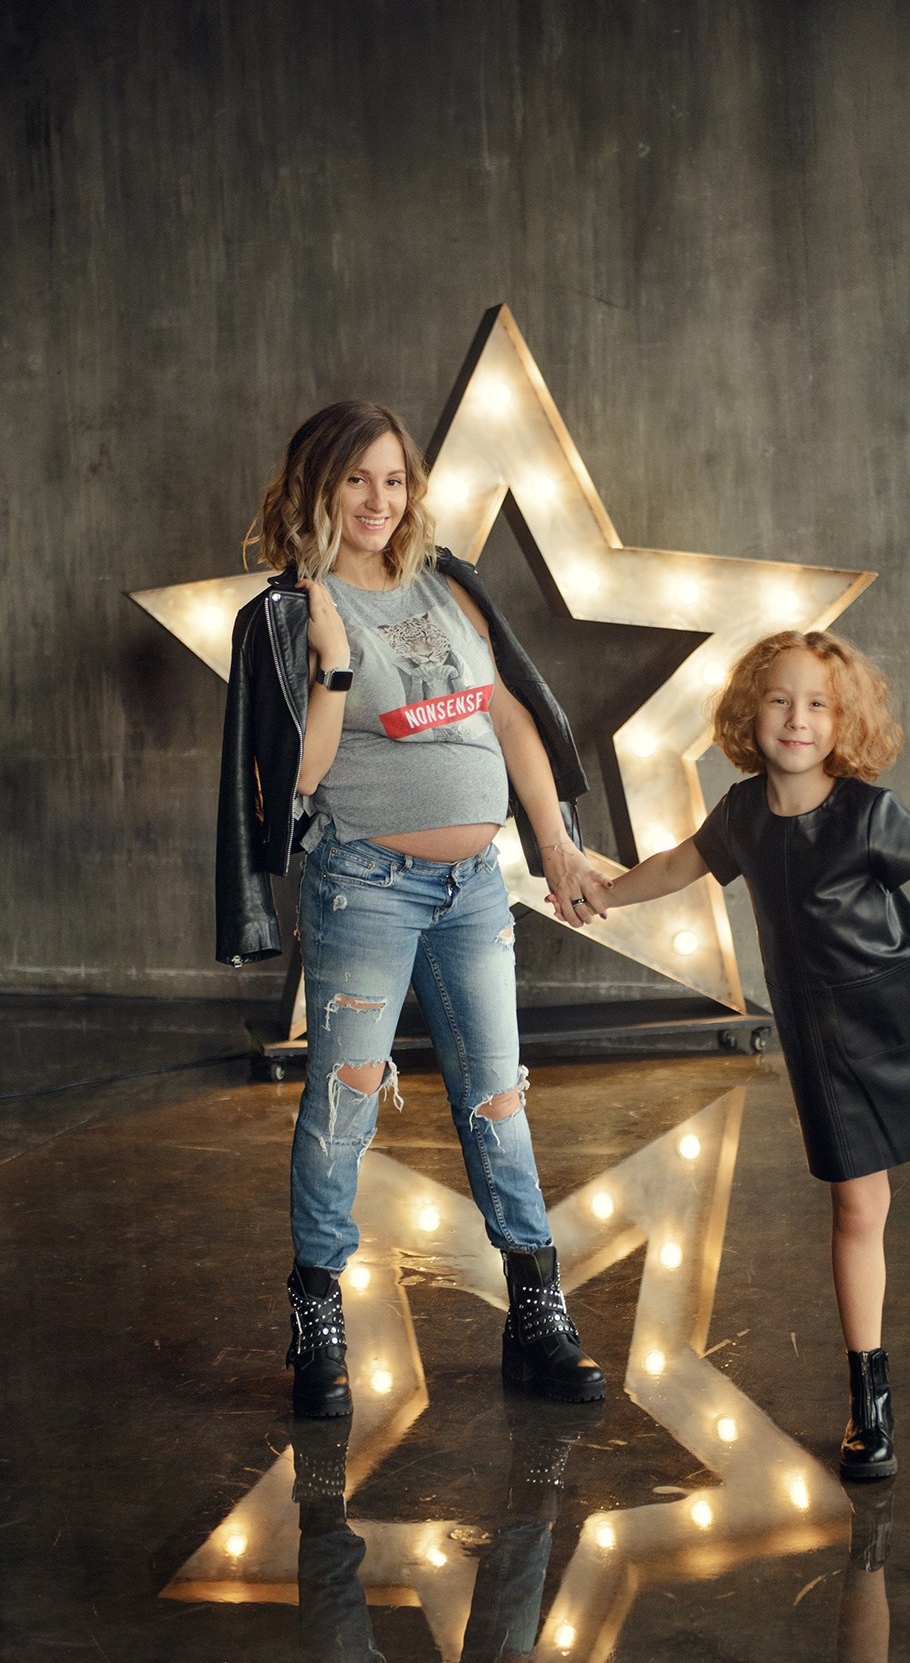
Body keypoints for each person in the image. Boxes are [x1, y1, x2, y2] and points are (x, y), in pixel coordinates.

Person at [558, 629, 910, 1478]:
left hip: (908, 1016)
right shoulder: (741, 816)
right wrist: (603, 893)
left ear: (843, 722)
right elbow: (678, 864)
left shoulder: (869, 813)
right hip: (821, 1039)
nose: (797, 719)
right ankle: (869, 1398)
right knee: (857, 1209)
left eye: (817, 705)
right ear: (749, 713)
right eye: (779, 700)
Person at [216, 399, 612, 1417]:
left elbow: (509, 716)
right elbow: (297, 779)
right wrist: (337, 665)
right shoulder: (290, 612)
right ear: (317, 485)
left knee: (497, 1097)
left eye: (393, 479)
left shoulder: (448, 586)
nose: (377, 500)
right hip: (365, 888)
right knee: (344, 1102)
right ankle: (317, 1319)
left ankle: (537, 1314)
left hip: (475, 887)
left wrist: (556, 844)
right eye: (356, 479)